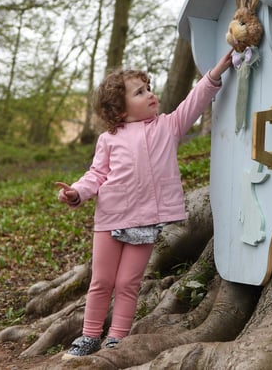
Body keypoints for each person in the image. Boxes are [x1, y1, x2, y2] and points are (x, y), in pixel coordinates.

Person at [55, 49, 233, 359]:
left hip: (145, 219)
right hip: (110, 218)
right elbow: (96, 174)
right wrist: (77, 192)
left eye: (149, 88)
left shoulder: (168, 126)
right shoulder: (109, 139)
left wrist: (216, 71)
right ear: (120, 109)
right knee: (101, 281)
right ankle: (89, 336)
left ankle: (117, 339)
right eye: (140, 92)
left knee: (128, 282)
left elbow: (195, 99)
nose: (151, 94)